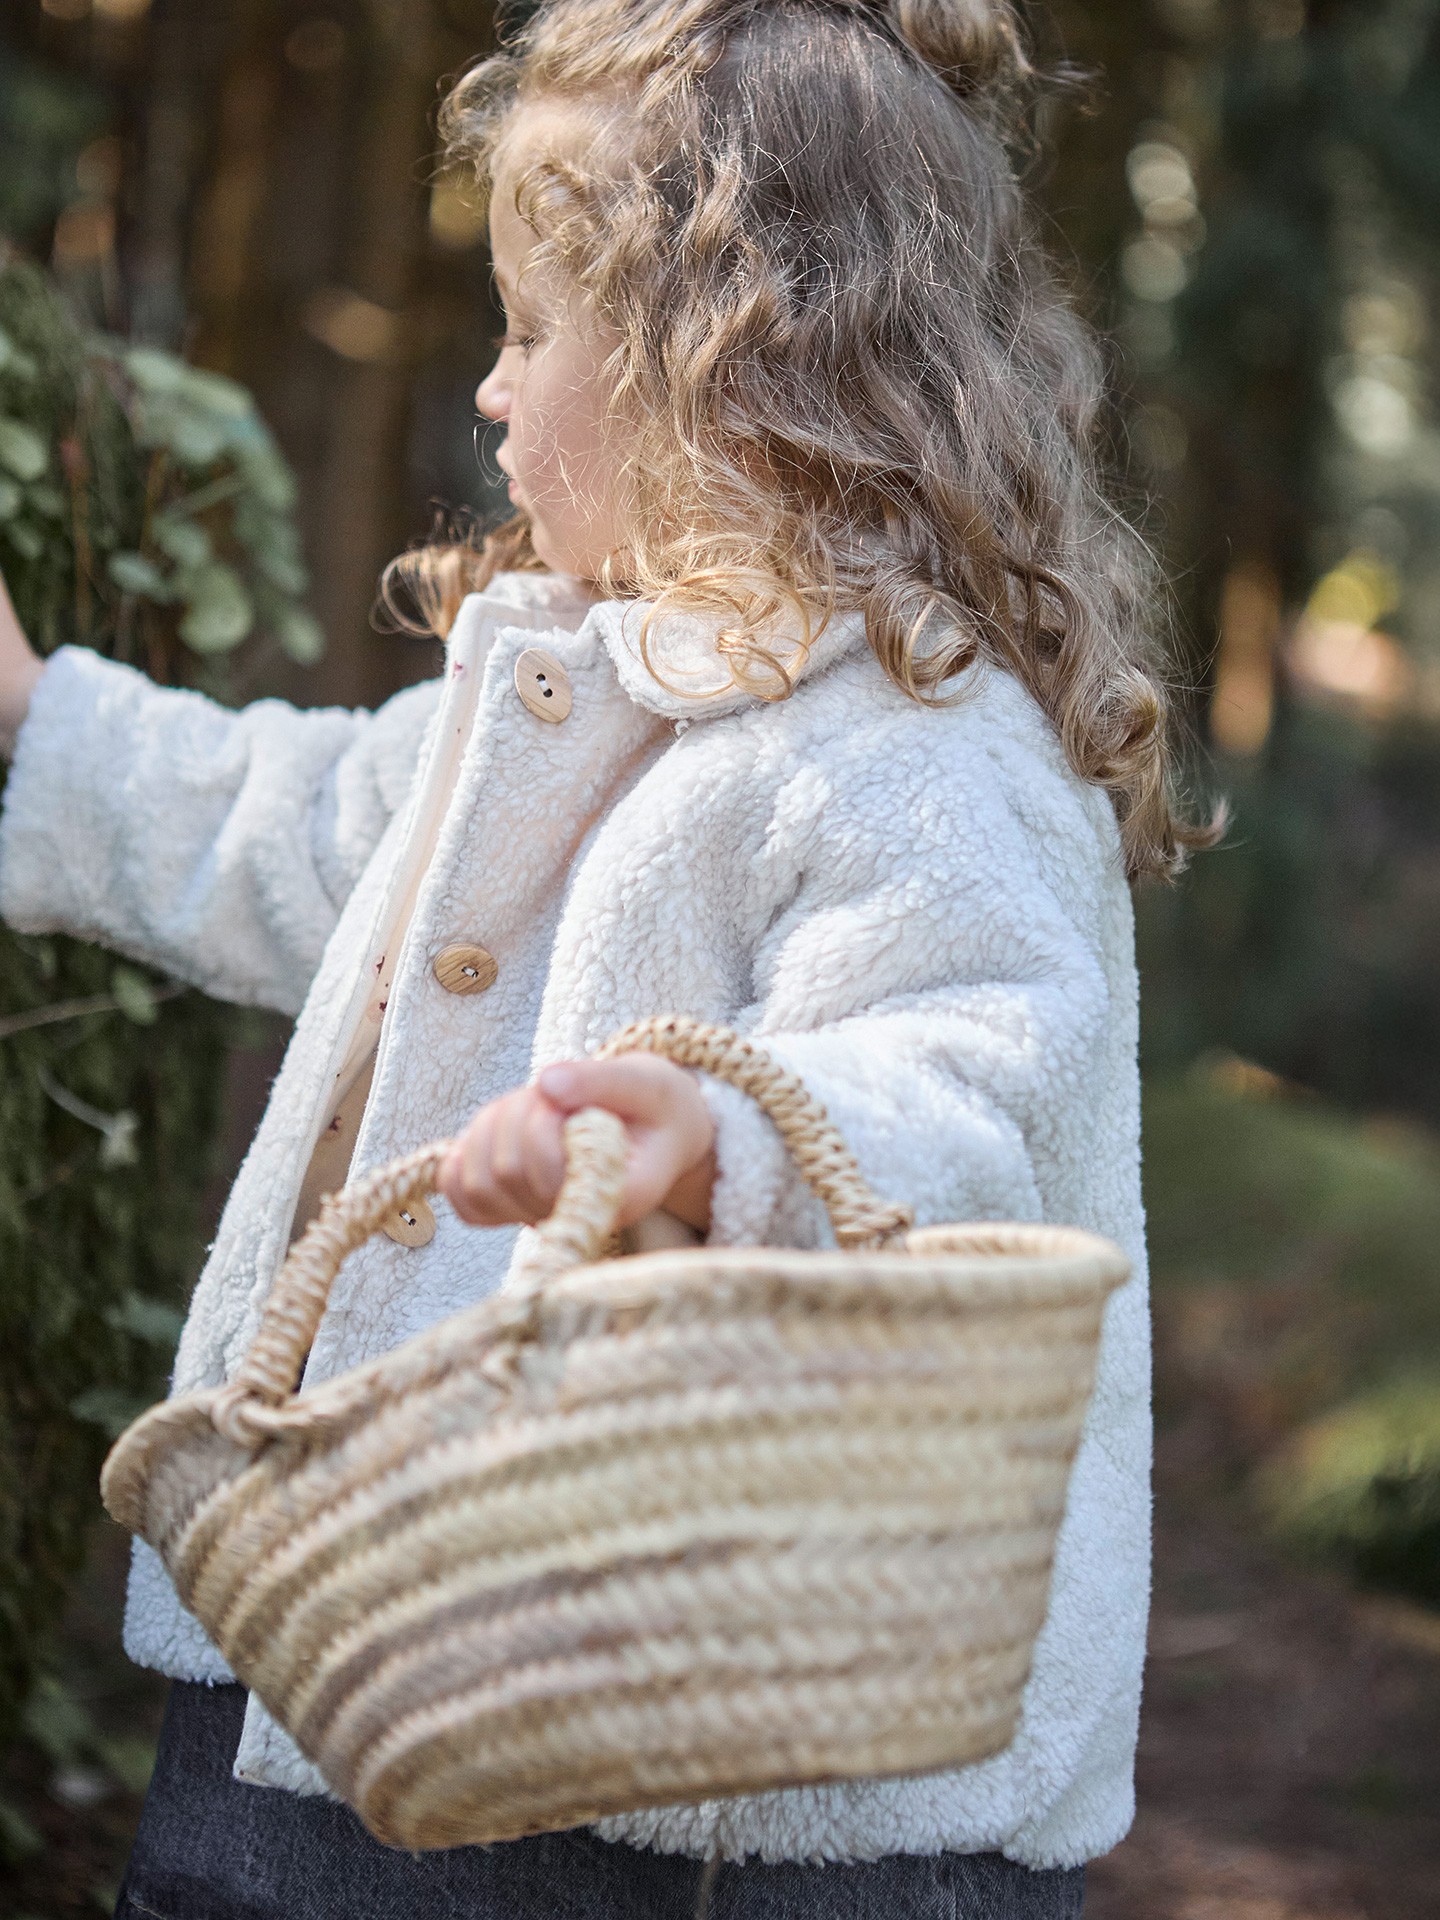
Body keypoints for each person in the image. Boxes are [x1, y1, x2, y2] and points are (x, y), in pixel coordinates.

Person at [0, 0, 1212, 1912]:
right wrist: (40, 723)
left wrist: (709, 1134)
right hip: (350, 1642)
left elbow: (972, 1068)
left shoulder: (926, 738)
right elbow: (313, 827)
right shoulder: (588, 684)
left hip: (728, 1789)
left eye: (529, 330)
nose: (488, 390)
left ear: (718, 369)